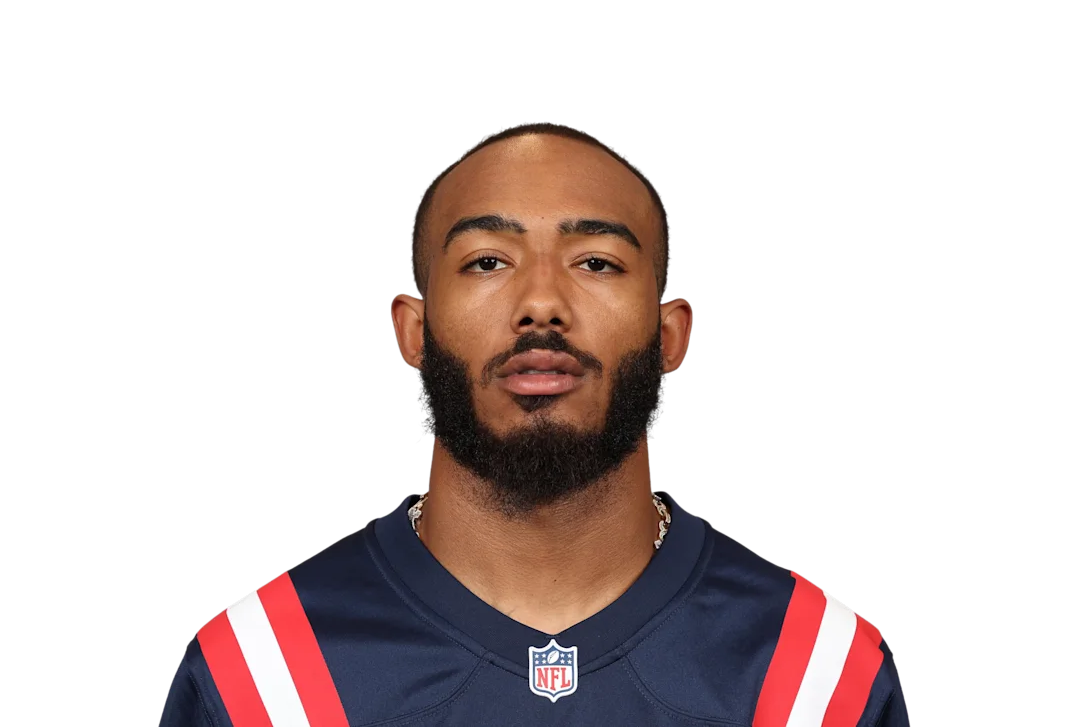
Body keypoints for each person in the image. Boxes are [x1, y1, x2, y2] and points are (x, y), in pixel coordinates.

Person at [159, 121, 908, 725]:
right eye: (487, 261)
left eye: (597, 262)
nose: (541, 303)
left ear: (671, 334)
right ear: (412, 331)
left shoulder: (812, 677)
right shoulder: (266, 677)